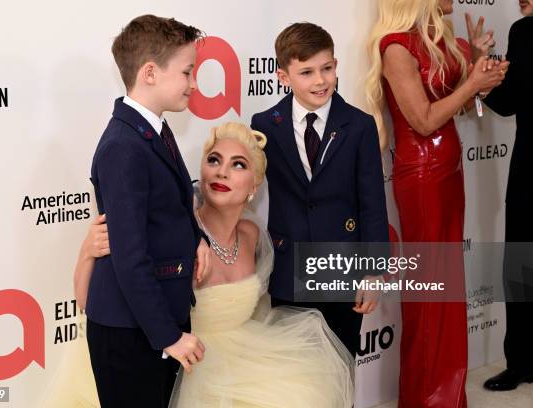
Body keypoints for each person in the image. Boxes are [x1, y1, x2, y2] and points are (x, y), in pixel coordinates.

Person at [76, 122, 356, 407]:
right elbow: (89, 300)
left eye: (238, 165)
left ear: (254, 186)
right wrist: (87, 252)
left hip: (243, 358)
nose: (222, 171)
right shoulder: (174, 231)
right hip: (184, 361)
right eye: (214, 160)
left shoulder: (252, 235)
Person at [365, 0, 509, 406]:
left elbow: (459, 108)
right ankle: (425, 399)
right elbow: (424, 120)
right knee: (430, 297)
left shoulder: (438, 41)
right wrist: (471, 83)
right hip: (423, 179)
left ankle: (447, 396)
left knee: (446, 293)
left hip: (449, 172)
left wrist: (478, 70)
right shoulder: (396, 47)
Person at [83, 15, 211, 407]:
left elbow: (172, 205)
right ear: (150, 73)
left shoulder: (155, 129)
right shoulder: (123, 145)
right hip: (128, 330)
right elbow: (130, 256)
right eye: (187, 72)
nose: (194, 83)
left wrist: (198, 239)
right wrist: (169, 336)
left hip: (151, 321)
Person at [250, 22, 390, 359]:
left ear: (336, 65)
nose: (320, 80)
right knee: (293, 369)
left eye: (327, 68)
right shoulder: (264, 124)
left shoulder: (359, 125)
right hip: (288, 267)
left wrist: (373, 272)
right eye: (307, 72)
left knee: (339, 362)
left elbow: (372, 201)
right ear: (283, 77)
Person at [476, 0, 533, 395]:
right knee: (523, 272)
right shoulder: (523, 32)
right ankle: (523, 364)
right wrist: (483, 77)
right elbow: (510, 103)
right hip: (528, 173)